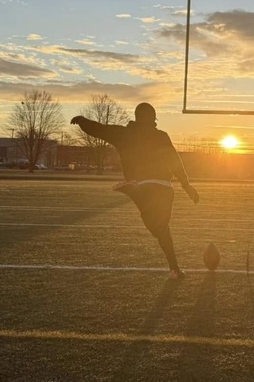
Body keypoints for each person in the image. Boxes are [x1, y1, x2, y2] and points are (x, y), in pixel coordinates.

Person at [71, 102, 199, 280]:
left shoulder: (123, 134)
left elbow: (100, 129)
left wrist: (82, 121)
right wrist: (186, 186)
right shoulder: (161, 136)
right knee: (160, 228)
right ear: (154, 119)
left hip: (143, 184)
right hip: (163, 187)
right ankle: (174, 269)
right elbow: (175, 161)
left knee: (160, 228)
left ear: (137, 117)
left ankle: (174, 269)